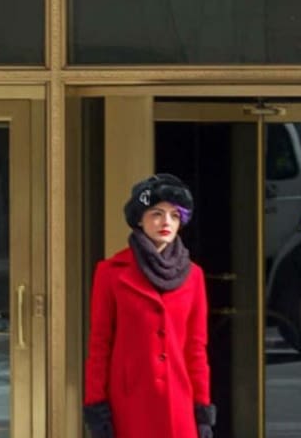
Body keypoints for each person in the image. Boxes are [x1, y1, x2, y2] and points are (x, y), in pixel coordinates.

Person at [83, 173, 215, 438]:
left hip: (179, 404)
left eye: (174, 215)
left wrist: (202, 410)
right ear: (139, 220)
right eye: (156, 213)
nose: (166, 222)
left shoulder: (194, 275)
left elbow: (196, 348)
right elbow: (99, 345)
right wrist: (97, 407)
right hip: (129, 404)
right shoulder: (110, 273)